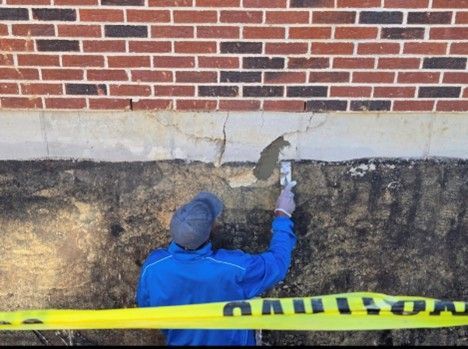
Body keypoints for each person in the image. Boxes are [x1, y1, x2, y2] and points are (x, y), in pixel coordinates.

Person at [136, 182, 297, 346]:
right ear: (211, 229)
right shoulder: (232, 268)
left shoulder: (153, 267)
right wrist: (282, 216)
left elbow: (146, 307)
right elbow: (277, 264)